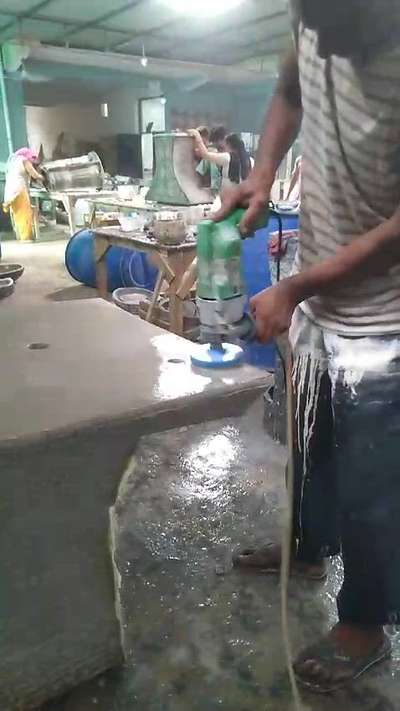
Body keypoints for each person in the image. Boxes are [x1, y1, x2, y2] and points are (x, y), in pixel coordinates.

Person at [214, 0, 400, 694]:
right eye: (310, 18)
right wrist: (264, 171)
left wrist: (293, 290)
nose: (322, 37)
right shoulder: (316, 21)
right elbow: (290, 89)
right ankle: (308, 547)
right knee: (314, 438)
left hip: (390, 314)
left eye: (339, 23)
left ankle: (365, 621)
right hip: (324, 290)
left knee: (374, 478)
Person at [189, 129, 253, 193]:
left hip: (228, 196)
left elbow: (205, 154)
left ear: (228, 145)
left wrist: (197, 136)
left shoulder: (227, 157)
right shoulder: (250, 160)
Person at [3, 147, 44, 241]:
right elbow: (34, 174)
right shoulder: (24, 160)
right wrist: (43, 177)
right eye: (32, 158)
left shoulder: (12, 162)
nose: (33, 161)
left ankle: (22, 236)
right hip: (19, 190)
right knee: (25, 214)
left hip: (10, 192)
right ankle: (26, 238)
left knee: (18, 215)